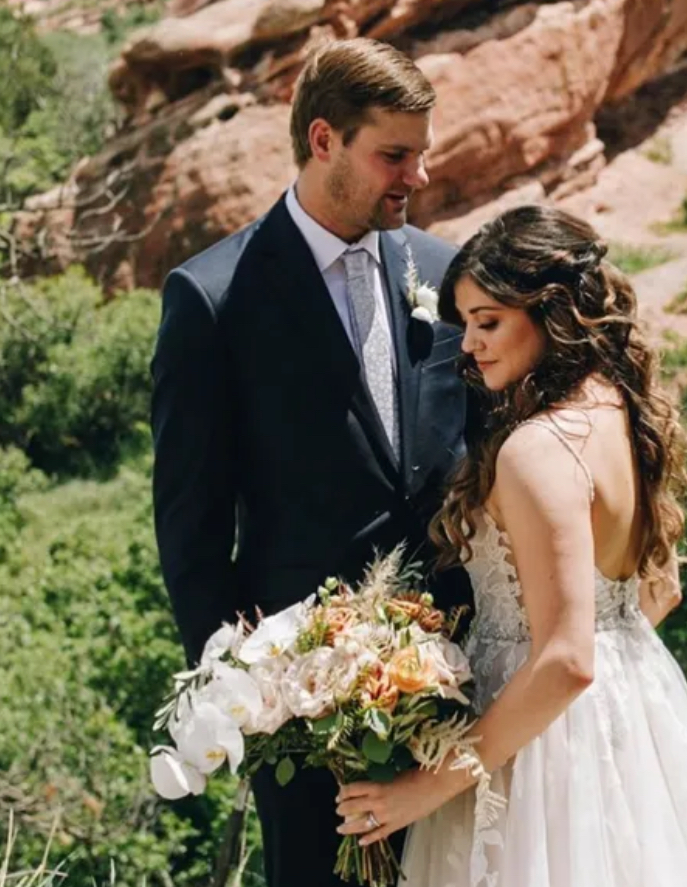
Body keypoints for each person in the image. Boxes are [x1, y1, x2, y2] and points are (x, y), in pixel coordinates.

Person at [334, 205, 687, 886]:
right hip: (632, 732)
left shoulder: (537, 450)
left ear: (551, 312)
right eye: (467, 324)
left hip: (540, 765)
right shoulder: (616, 410)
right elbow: (658, 593)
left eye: (489, 322)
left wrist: (424, 787)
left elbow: (567, 660)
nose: (470, 345)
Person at [150, 38, 472, 887]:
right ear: (323, 139)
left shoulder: (445, 273)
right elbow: (190, 535)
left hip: (468, 684)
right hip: (312, 708)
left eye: (422, 154)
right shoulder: (212, 299)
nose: (417, 178)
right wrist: (250, 703)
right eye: (394, 155)